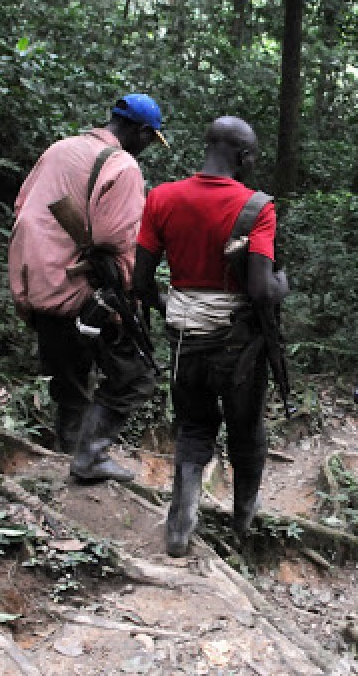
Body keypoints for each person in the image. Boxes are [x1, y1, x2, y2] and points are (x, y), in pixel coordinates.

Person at [133, 115, 288, 558]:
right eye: (252, 154)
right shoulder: (258, 207)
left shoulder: (161, 197)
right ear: (242, 155)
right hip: (238, 345)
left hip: (186, 337)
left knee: (194, 424)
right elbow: (260, 289)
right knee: (246, 428)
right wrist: (283, 285)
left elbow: (141, 280)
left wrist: (172, 309)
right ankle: (243, 519)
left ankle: (181, 521)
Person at [8, 94, 168, 483]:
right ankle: (89, 459)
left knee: (71, 381)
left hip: (36, 284)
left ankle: (68, 458)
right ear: (141, 131)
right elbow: (118, 237)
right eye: (150, 139)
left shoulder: (60, 149)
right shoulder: (122, 165)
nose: (147, 148)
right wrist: (136, 292)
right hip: (80, 289)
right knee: (135, 377)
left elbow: (22, 205)